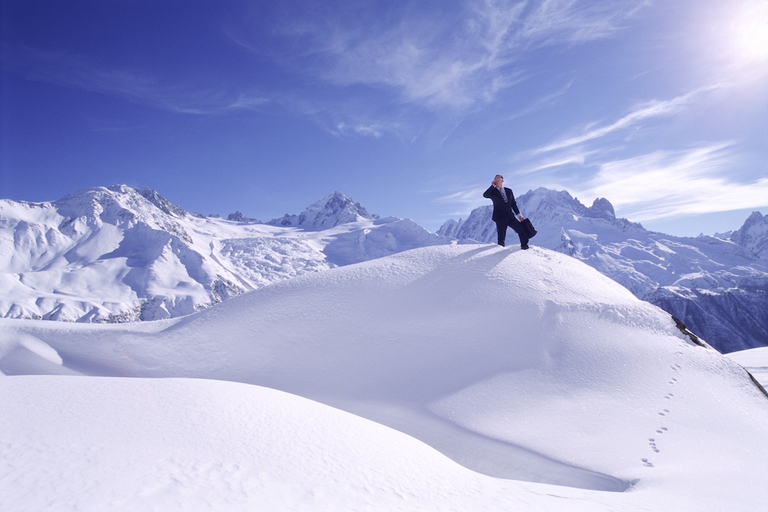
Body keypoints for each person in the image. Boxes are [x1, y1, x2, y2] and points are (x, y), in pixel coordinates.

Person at [483, 174, 529, 249]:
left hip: (510, 216)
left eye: (498, 179)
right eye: (495, 179)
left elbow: (513, 204)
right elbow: (485, 195)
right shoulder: (493, 192)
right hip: (500, 217)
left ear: (502, 180)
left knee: (522, 230)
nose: (496, 180)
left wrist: (519, 215)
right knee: (501, 237)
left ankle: (524, 246)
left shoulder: (509, 191)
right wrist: (492, 186)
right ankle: (499, 253)